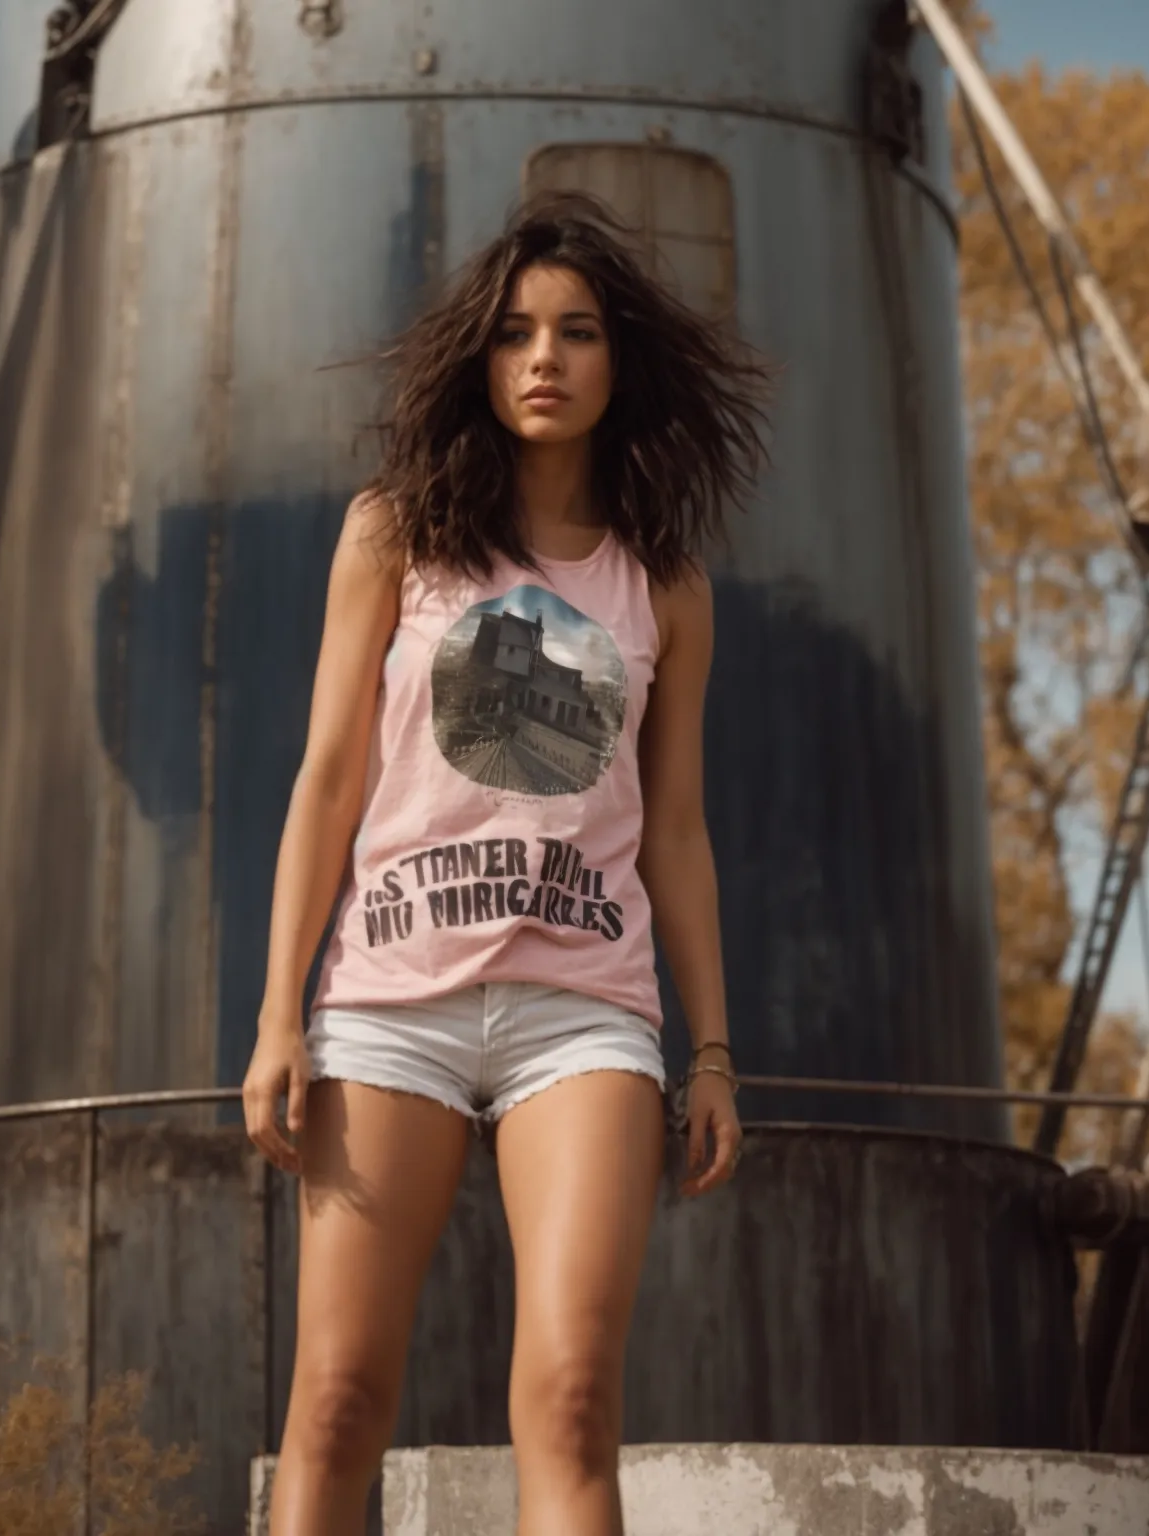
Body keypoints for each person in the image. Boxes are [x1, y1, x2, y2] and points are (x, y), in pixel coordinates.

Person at [243, 190, 770, 1536]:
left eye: (578, 333)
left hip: (584, 1013)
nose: (545, 359)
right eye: (516, 333)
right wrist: (278, 1016)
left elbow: (678, 830)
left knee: (574, 1397)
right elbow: (328, 781)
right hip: (389, 1003)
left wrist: (711, 1052)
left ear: (618, 362)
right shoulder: (395, 535)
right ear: (478, 359)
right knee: (336, 1400)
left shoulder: (667, 587)